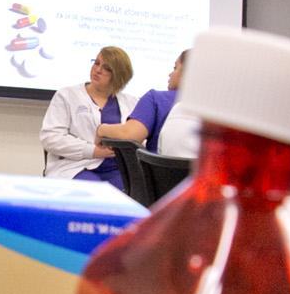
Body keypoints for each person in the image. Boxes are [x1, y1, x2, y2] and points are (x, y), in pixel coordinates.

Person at [40, 47, 136, 191]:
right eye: (96, 63)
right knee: (96, 195)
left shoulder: (132, 102)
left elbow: (140, 138)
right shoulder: (67, 95)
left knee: (133, 197)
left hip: (118, 169)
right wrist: (92, 151)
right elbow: (51, 138)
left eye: (106, 68)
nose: (97, 70)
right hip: (75, 167)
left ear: (119, 76)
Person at [98, 49, 185, 152]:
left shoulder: (155, 99)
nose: (170, 74)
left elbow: (129, 135)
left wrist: (101, 129)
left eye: (175, 68)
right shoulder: (207, 108)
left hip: (160, 168)